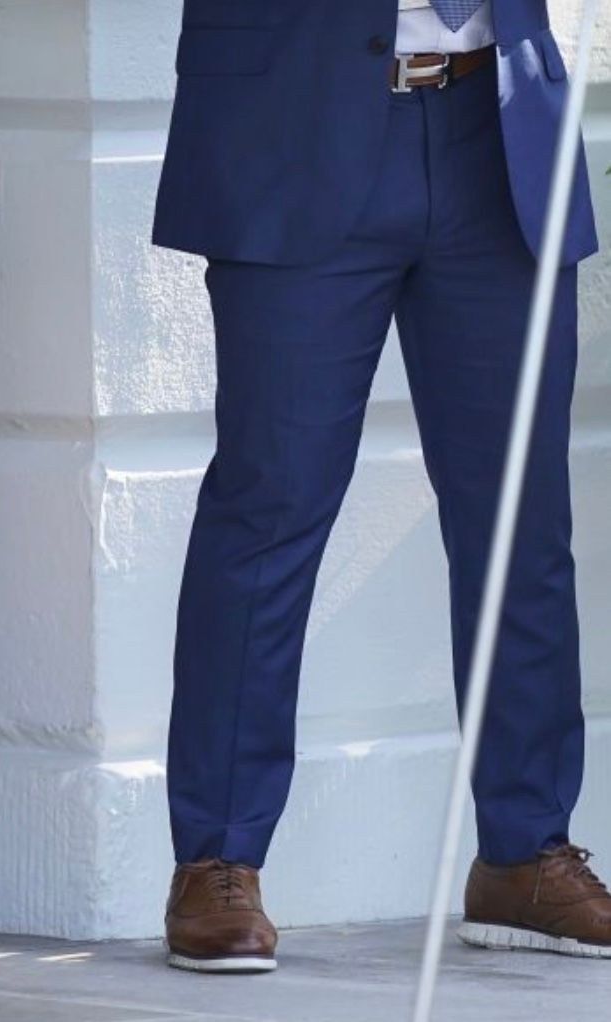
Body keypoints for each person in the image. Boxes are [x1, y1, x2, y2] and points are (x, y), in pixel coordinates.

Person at [154, 0, 607, 973]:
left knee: (522, 518)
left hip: (502, 123)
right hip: (292, 123)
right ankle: (216, 857)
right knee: (270, 502)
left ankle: (525, 850)